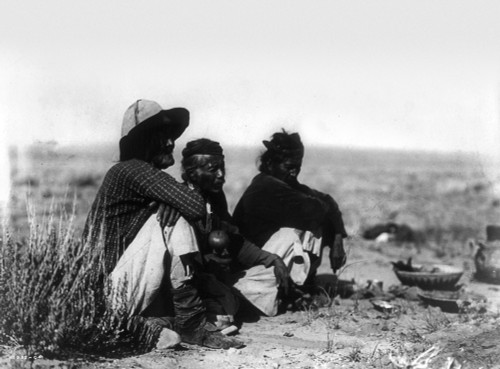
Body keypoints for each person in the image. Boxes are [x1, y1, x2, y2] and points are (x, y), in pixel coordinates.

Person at [83, 100, 242, 350]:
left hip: (118, 288)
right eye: (162, 136)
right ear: (143, 140)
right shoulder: (131, 170)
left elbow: (186, 201)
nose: (170, 143)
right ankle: (190, 323)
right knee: (175, 221)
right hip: (112, 290)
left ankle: (152, 323)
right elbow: (195, 206)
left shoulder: (142, 175)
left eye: (171, 136)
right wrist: (174, 203)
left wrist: (171, 201)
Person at [157, 138, 290, 325]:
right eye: (213, 170)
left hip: (218, 276)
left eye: (222, 168)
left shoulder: (215, 197)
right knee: (226, 308)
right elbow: (178, 261)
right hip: (189, 282)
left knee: (270, 273)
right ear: (192, 173)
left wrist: (272, 259)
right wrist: (210, 262)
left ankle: (230, 301)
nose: (221, 175)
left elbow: (236, 241)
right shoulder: (178, 201)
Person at [233, 130, 348, 302]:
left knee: (316, 218)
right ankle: (291, 290)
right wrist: (333, 230)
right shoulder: (266, 186)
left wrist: (338, 237)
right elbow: (317, 209)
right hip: (251, 266)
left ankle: (299, 285)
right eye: (289, 167)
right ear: (271, 163)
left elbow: (327, 201)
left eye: (297, 168)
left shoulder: (284, 183)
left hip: (266, 261)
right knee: (309, 227)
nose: (294, 173)